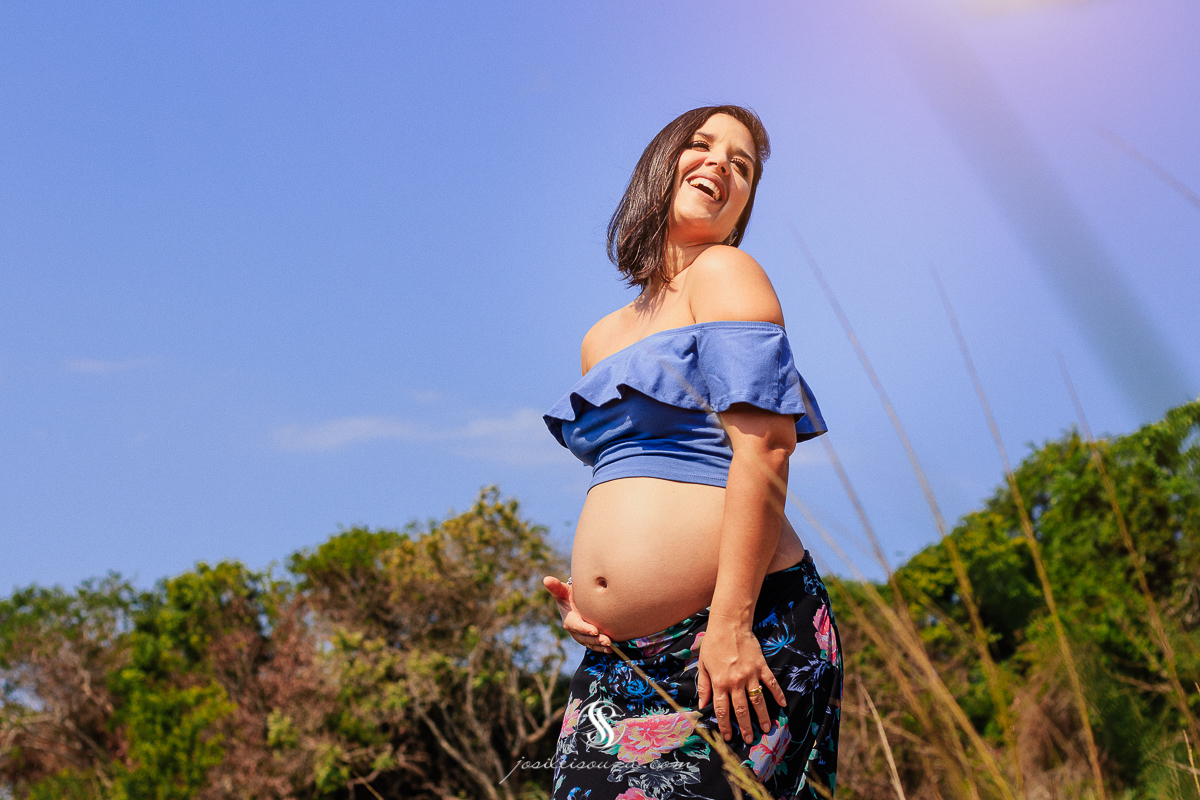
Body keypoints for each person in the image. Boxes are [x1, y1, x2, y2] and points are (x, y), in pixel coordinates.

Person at [542, 106, 841, 800]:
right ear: (661, 163)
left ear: (742, 207)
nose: (720, 165)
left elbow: (766, 449)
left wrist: (731, 624)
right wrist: (596, 602)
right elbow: (630, 480)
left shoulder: (726, 273)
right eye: (702, 145)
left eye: (742, 166)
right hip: (619, 661)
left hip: (735, 633)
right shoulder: (601, 337)